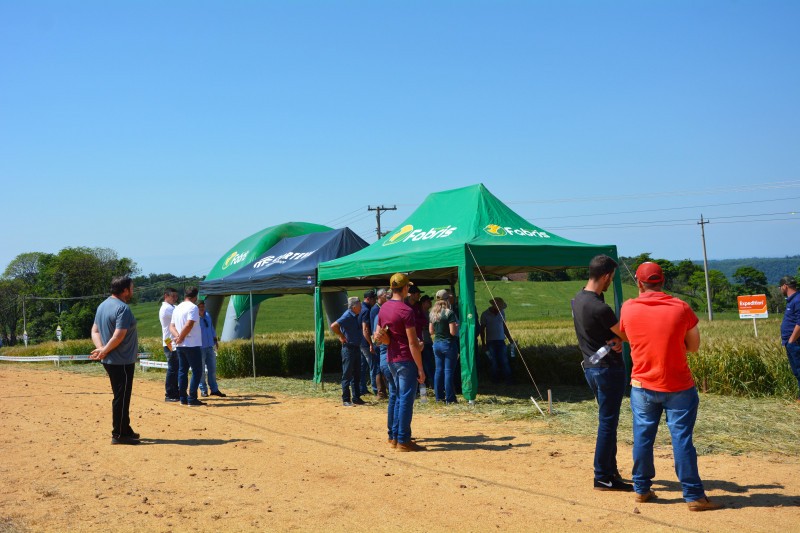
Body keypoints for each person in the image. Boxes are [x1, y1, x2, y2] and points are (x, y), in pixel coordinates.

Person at [620, 262, 722, 512]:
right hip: (678, 386)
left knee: (643, 437)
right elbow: (694, 346)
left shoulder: (628, 308)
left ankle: (641, 489)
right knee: (682, 439)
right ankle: (694, 496)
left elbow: (626, 336)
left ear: (639, 282)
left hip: (642, 386)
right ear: (663, 281)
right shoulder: (681, 307)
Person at [571, 255, 631, 491]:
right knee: (608, 424)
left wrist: (614, 338)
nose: (611, 282)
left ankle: (610, 470)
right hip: (608, 370)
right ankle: (603, 476)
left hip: (591, 367)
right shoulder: (601, 307)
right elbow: (625, 334)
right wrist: (619, 338)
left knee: (607, 421)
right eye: (612, 278)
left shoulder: (578, 299)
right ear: (606, 276)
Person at [375, 273, 425, 452]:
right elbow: (412, 343)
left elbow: (378, 335)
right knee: (405, 399)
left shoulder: (384, 308)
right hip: (405, 359)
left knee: (396, 397)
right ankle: (403, 440)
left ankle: (394, 437)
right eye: (408, 287)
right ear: (405, 288)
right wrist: (420, 368)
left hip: (391, 358)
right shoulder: (406, 311)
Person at [90, 275, 140, 445]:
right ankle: (118, 434)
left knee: (122, 396)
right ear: (125, 290)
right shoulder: (122, 308)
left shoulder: (102, 305)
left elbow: (95, 331)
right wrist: (103, 350)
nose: (133, 291)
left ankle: (125, 429)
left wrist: (101, 349)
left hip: (111, 360)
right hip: (122, 361)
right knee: (121, 398)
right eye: (131, 288)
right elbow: (119, 336)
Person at [169, 287, 205, 406]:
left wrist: (178, 337)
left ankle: (183, 397)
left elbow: (171, 326)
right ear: (195, 296)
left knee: (182, 371)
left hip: (180, 345)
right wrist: (181, 337)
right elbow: (189, 324)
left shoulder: (177, 307)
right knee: (197, 371)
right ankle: (192, 398)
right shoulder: (193, 307)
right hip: (192, 343)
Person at [331, 297, 366, 406]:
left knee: (356, 374)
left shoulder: (356, 315)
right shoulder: (347, 315)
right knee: (347, 374)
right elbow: (334, 326)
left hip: (356, 347)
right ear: (354, 307)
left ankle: (356, 398)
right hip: (348, 348)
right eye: (359, 305)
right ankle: (346, 399)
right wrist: (341, 335)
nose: (361, 307)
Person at [429, 289, 458, 404]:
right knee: (448, 371)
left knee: (438, 371)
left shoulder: (433, 313)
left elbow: (431, 331)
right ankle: (450, 398)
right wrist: (456, 326)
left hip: (437, 344)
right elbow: (452, 332)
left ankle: (439, 397)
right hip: (448, 343)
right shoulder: (449, 313)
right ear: (447, 299)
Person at [480, 297, 515, 384]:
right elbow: (482, 330)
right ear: (494, 306)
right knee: (493, 362)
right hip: (490, 342)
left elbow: (504, 326)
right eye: (499, 306)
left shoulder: (502, 312)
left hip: (501, 340)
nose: (500, 308)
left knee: (504, 361)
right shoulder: (485, 314)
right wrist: (483, 343)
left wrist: (510, 338)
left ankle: (509, 380)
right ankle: (495, 381)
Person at [197, 300, 226, 398]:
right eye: (199, 306)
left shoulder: (207, 315)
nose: (201, 308)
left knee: (212, 369)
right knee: (201, 371)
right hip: (200, 347)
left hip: (210, 346)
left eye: (203, 306)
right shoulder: (194, 318)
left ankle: (214, 389)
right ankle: (203, 390)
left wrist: (215, 340)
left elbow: (211, 328)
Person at [159, 287, 180, 402]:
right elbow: (180, 315)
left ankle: (175, 392)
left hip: (169, 341)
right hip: (169, 341)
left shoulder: (171, 307)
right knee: (172, 368)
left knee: (175, 368)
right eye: (173, 296)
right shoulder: (167, 309)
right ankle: (170, 393)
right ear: (166, 296)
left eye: (176, 296)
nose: (175, 298)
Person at [369, 288, 390, 399]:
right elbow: (374, 328)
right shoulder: (376, 310)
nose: (386, 297)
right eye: (385, 295)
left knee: (380, 367)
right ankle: (380, 392)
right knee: (378, 367)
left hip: (379, 340)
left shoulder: (378, 309)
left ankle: (382, 391)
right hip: (379, 341)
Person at [359, 290, 377, 396]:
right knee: (373, 366)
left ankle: (362, 388)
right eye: (374, 298)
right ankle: (376, 389)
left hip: (359, 341)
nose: (375, 300)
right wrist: (371, 343)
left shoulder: (360, 308)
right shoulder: (366, 310)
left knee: (362, 367)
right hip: (366, 342)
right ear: (368, 299)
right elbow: (365, 329)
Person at [419, 295, 435, 391]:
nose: (430, 303)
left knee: (429, 364)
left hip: (427, 341)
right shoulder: (420, 313)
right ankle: (431, 384)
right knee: (428, 365)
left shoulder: (428, 313)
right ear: (423, 303)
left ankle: (430, 384)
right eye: (428, 302)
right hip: (424, 342)